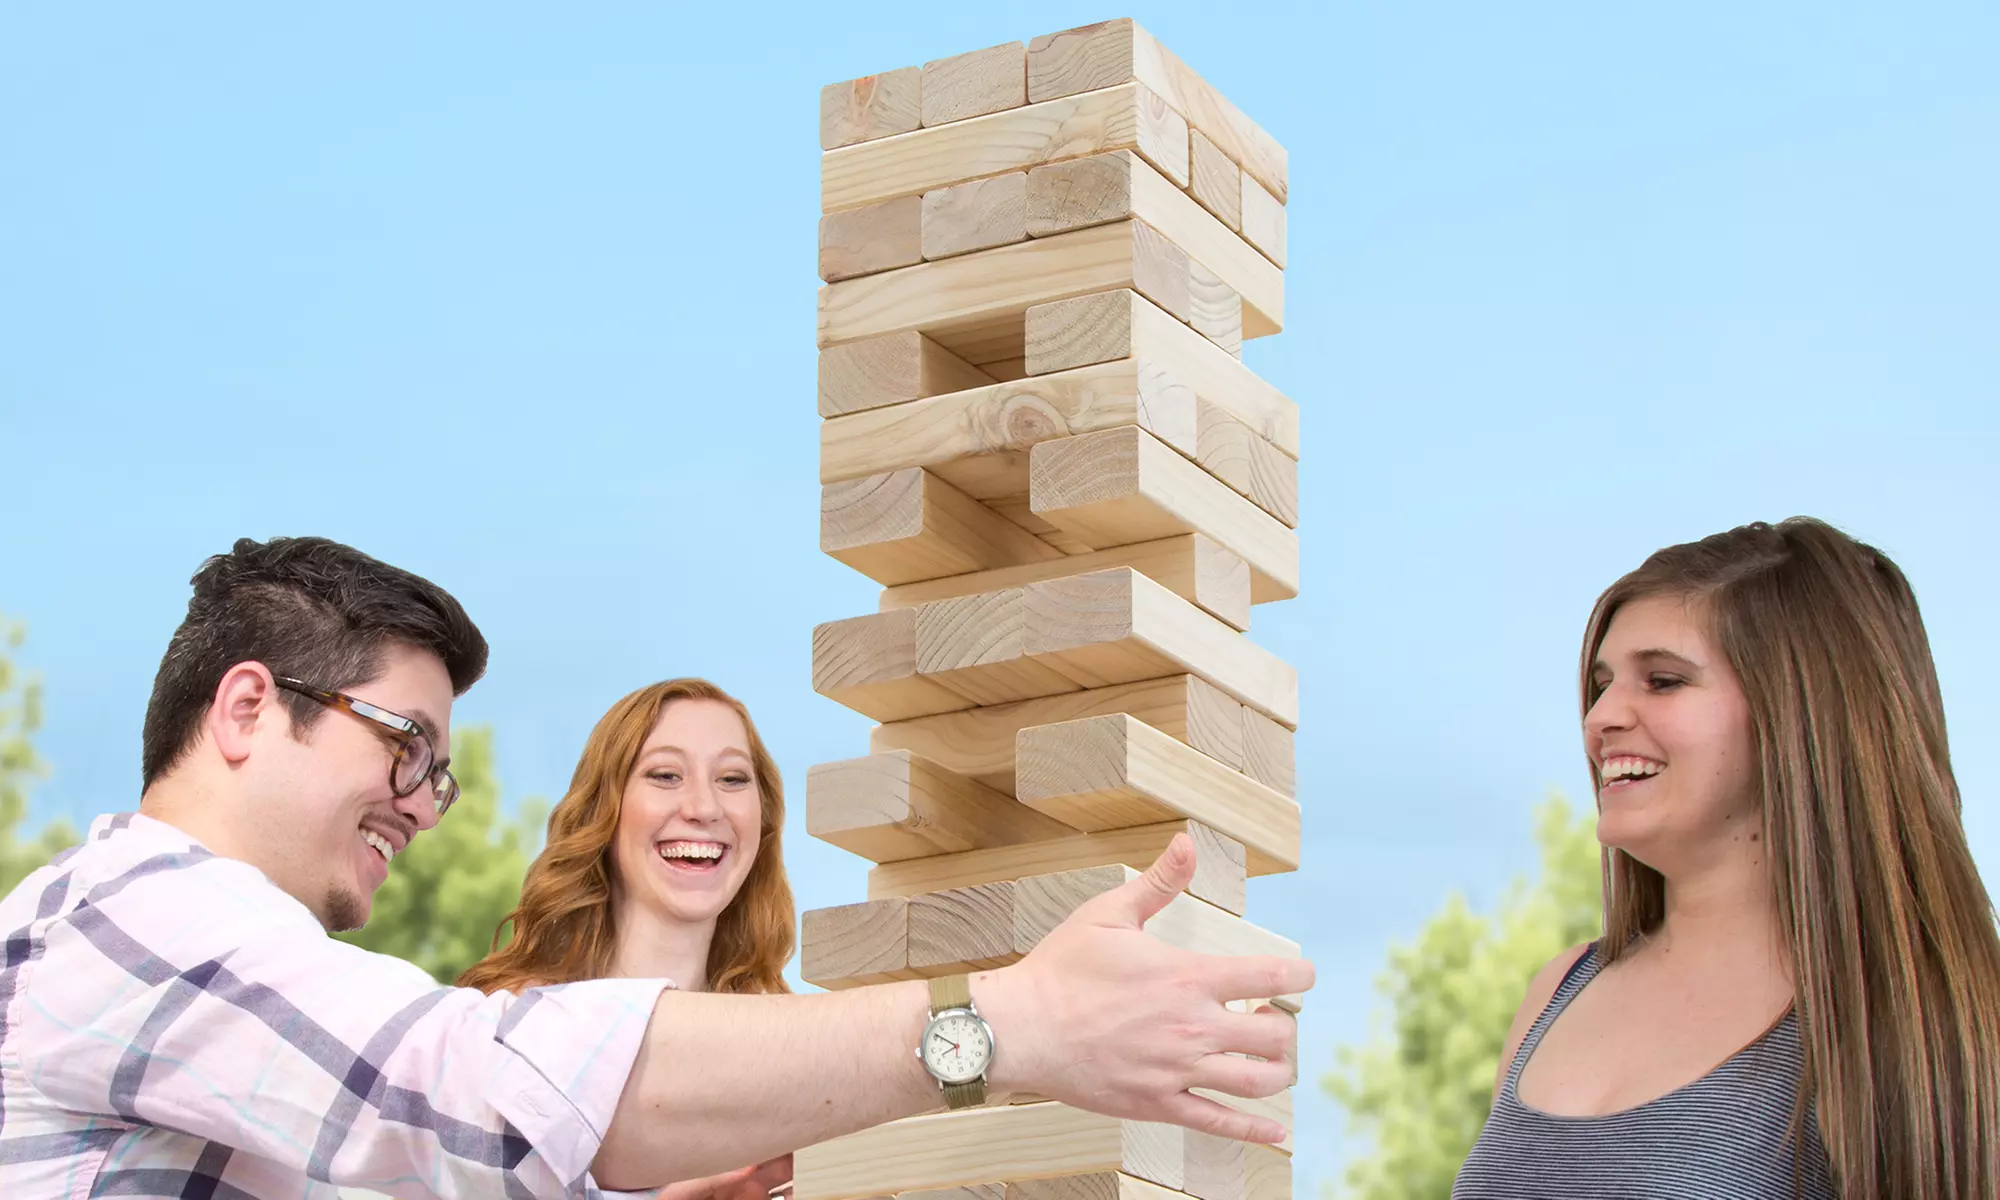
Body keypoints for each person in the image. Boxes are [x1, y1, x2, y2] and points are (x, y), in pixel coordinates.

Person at [0, 536, 1309, 1199]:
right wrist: (999, 1025)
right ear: (242, 710)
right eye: (405, 746)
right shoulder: (137, 921)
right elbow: (469, 1092)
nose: (425, 804)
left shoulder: (209, 983)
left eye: (439, 772)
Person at [1454, 518, 2000, 1198]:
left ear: (1798, 714)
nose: (1599, 719)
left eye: (1662, 680)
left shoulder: (1921, 1023)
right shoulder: (1558, 993)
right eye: (1602, 684)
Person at [460, 677, 800, 1200]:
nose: (704, 807)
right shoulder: (510, 1026)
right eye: (665, 775)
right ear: (606, 808)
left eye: (733, 779)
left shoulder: (787, 1056)